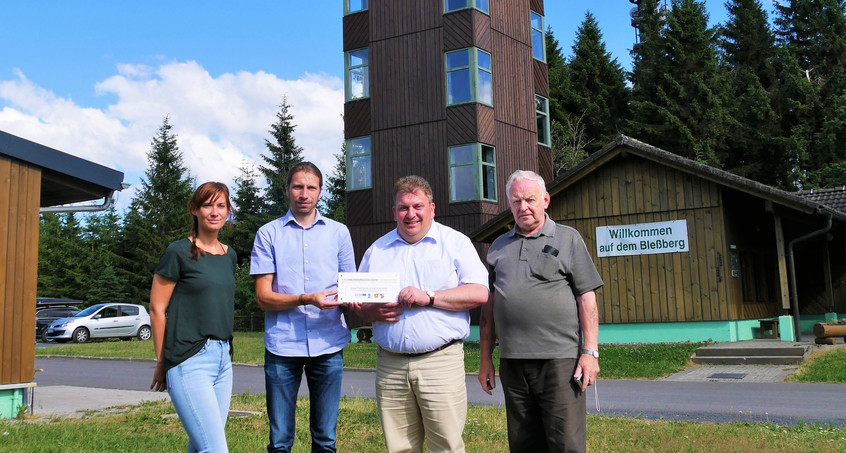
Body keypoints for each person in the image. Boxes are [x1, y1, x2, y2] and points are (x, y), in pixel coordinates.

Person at [354, 175, 489, 453]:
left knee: (447, 447)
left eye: (418, 206)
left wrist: (429, 297)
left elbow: (479, 292)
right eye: (403, 208)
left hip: (439, 362)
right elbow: (359, 305)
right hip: (390, 365)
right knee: (399, 448)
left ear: (432, 208)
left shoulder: (455, 243)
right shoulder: (377, 251)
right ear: (394, 212)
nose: (411, 214)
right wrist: (371, 310)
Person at [478, 170, 603, 453]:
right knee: (523, 443)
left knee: (565, 443)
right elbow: (489, 310)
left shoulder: (568, 239)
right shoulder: (498, 247)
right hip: (512, 362)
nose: (523, 207)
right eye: (516, 201)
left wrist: (590, 351)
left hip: (559, 361)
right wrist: (485, 359)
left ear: (545, 200)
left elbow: (587, 298)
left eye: (530, 199)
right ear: (509, 205)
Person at [250, 162, 355, 453]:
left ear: (320, 192)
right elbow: (262, 297)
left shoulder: (339, 233)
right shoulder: (268, 234)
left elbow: (350, 286)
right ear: (287, 190)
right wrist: (305, 299)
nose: (304, 193)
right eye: (298, 186)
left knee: (325, 439)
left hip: (328, 344)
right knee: (280, 441)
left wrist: (361, 298)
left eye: (311, 187)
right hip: (283, 347)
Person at [150, 182, 237, 453]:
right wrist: (163, 361)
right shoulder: (178, 252)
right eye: (207, 205)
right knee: (215, 449)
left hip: (223, 359)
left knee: (201, 444)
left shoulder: (229, 255)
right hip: (189, 360)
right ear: (194, 210)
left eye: (221, 205)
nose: (214, 211)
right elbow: (157, 309)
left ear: (228, 211)